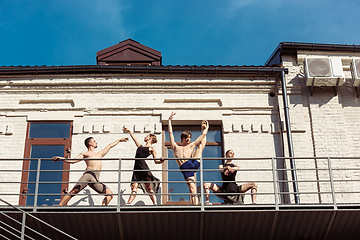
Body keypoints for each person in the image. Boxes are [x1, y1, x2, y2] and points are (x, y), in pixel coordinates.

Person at [52, 136, 128, 206]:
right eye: (94, 141)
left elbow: (109, 146)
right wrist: (61, 158)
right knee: (73, 191)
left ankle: (103, 209)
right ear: (90, 143)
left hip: (95, 178)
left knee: (110, 195)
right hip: (88, 175)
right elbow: (73, 160)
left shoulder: (99, 154)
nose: (96, 142)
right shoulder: (85, 153)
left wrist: (119, 140)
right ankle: (59, 206)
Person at [168, 112, 209, 205]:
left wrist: (205, 129)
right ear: (182, 138)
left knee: (200, 146)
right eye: (187, 138)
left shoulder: (191, 146)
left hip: (192, 162)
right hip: (185, 166)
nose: (189, 140)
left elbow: (202, 136)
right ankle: (196, 204)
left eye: (189, 138)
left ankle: (196, 205)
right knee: (192, 187)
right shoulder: (175, 147)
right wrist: (169, 121)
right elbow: (170, 133)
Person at [123, 127, 164, 205]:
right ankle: (128, 203)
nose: (145, 137)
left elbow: (156, 161)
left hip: (143, 167)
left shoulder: (152, 148)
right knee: (134, 187)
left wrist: (161, 161)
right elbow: (134, 139)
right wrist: (129, 131)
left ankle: (155, 203)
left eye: (147, 136)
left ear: (150, 138)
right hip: (136, 168)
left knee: (148, 187)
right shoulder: (140, 146)